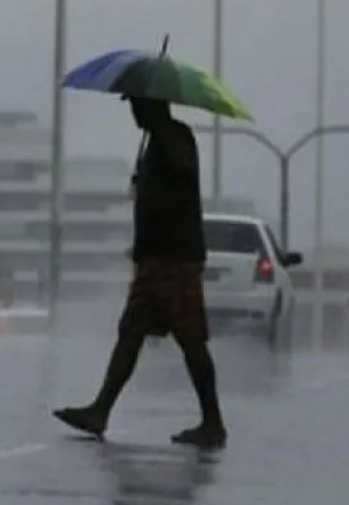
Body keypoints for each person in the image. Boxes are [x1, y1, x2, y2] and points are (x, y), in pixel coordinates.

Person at [53, 95, 228, 449]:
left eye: (136, 105)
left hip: (175, 259)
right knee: (130, 332)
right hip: (154, 259)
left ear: (153, 106)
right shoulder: (157, 143)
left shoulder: (174, 139)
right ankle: (100, 410)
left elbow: (178, 186)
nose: (132, 112)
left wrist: (149, 189)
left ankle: (213, 423)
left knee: (191, 340)